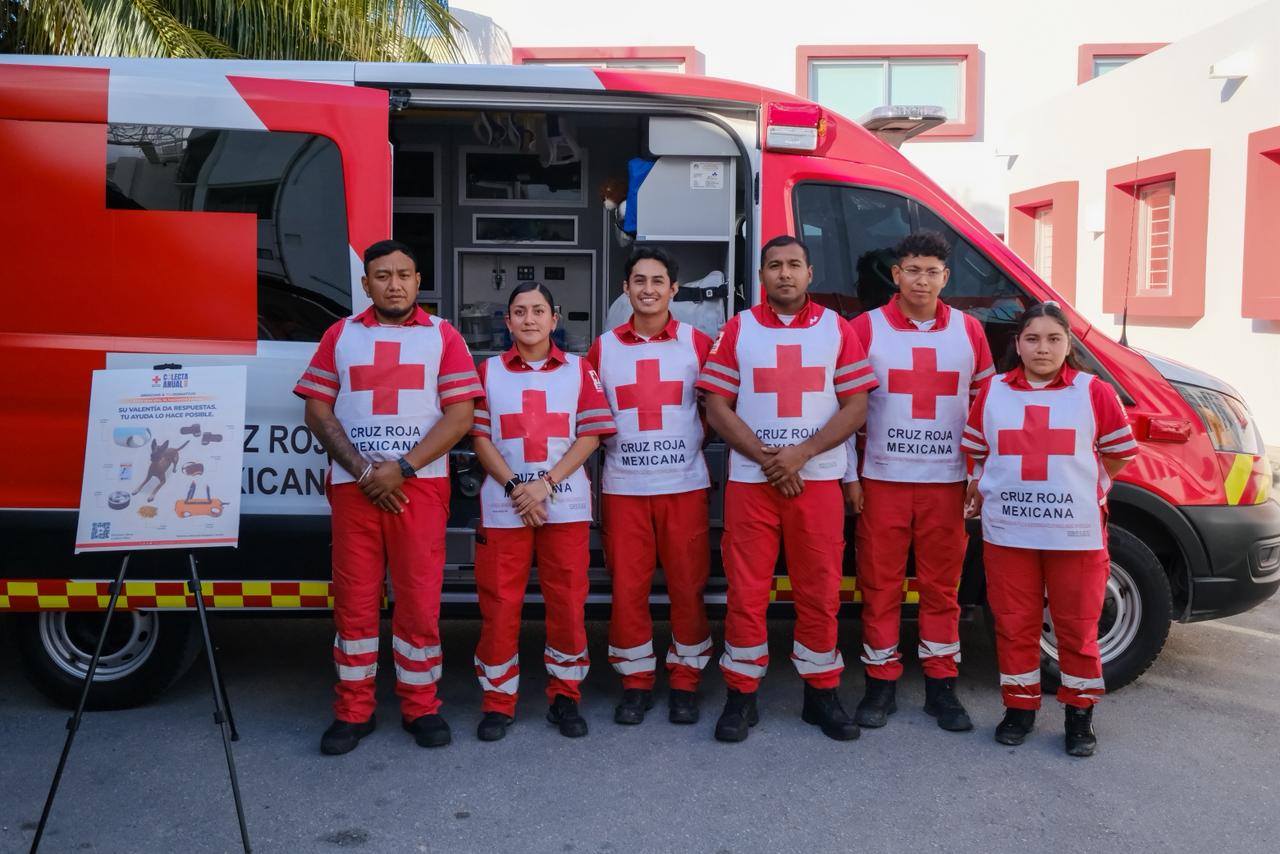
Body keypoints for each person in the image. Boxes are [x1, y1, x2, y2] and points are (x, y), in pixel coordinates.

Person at [295, 239, 483, 755]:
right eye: (382, 275)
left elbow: (461, 416)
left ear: (418, 280)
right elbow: (316, 409)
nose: (394, 284)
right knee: (353, 605)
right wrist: (362, 471)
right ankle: (353, 711)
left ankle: (421, 706)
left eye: (404, 274)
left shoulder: (443, 336)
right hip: (356, 489)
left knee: (419, 602)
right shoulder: (341, 334)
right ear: (366, 284)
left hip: (419, 488)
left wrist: (400, 468)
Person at [697, 235, 876, 743]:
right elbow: (716, 405)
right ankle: (741, 698)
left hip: (816, 481)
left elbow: (856, 407)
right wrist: (769, 459)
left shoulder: (837, 330)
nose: (784, 274)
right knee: (747, 592)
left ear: (810, 272)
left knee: (819, 592)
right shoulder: (740, 328)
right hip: (753, 483)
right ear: (762, 276)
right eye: (774, 266)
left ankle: (821, 696)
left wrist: (800, 454)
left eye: (794, 265)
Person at [961, 301, 1138, 757]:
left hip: (1074, 535)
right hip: (1009, 535)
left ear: (1068, 345)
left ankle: (1080, 717)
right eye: (1033, 339)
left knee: (1077, 629)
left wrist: (1088, 485)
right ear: (1017, 344)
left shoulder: (1093, 391)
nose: (1043, 348)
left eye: (1054, 339)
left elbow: (1117, 453)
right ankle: (1018, 709)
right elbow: (977, 452)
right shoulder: (994, 391)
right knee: (1014, 626)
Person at [846, 231, 994, 733]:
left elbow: (985, 409)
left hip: (947, 483)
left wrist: (978, 475)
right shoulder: (865, 329)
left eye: (932, 271)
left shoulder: (971, 332)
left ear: (945, 277)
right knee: (880, 587)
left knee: (941, 590)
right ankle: (879, 685)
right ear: (896, 275)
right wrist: (851, 475)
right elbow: (843, 407)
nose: (922, 280)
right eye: (912, 270)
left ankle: (941, 688)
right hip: (882, 479)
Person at [470, 282, 616, 741]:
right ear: (507, 322)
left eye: (538, 311)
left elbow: (590, 436)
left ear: (555, 319)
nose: (529, 319)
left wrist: (544, 484)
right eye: (519, 311)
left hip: (564, 504)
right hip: (503, 505)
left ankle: (566, 698)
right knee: (499, 606)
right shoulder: (488, 371)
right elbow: (479, 439)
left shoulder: (579, 369)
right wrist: (518, 488)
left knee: (568, 606)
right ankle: (497, 702)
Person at [587, 247, 714, 726]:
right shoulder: (602, 348)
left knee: (687, 587)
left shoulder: (698, 343)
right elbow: (592, 416)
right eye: (638, 280)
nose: (648, 289)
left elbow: (715, 410)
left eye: (658, 281)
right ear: (625, 289)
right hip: (623, 489)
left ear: (674, 290)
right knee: (628, 590)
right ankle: (635, 682)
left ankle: (686, 682)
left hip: (683, 486)